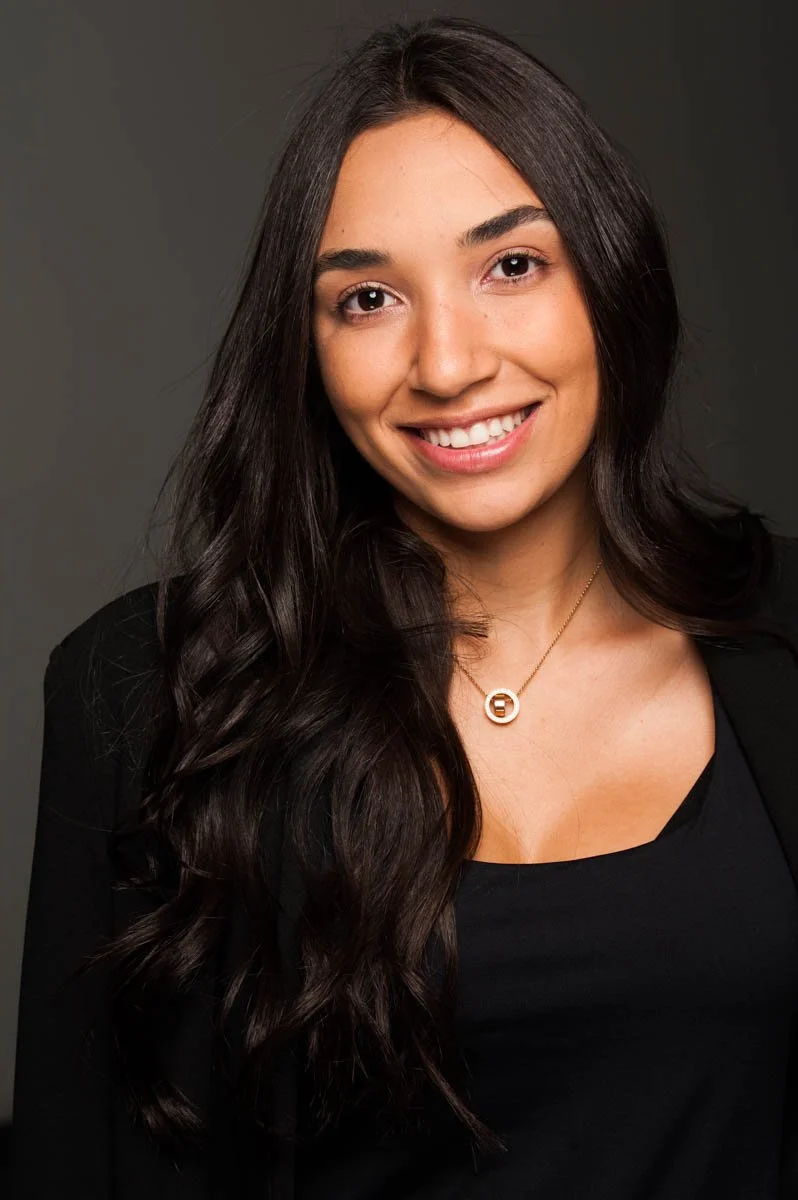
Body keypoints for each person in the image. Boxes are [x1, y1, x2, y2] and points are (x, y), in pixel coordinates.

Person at [11, 14, 798, 1200]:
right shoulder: (151, 692)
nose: (446, 364)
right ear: (308, 347)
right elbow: (85, 1161)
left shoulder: (781, 630)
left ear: (612, 276)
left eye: (512, 267)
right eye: (368, 298)